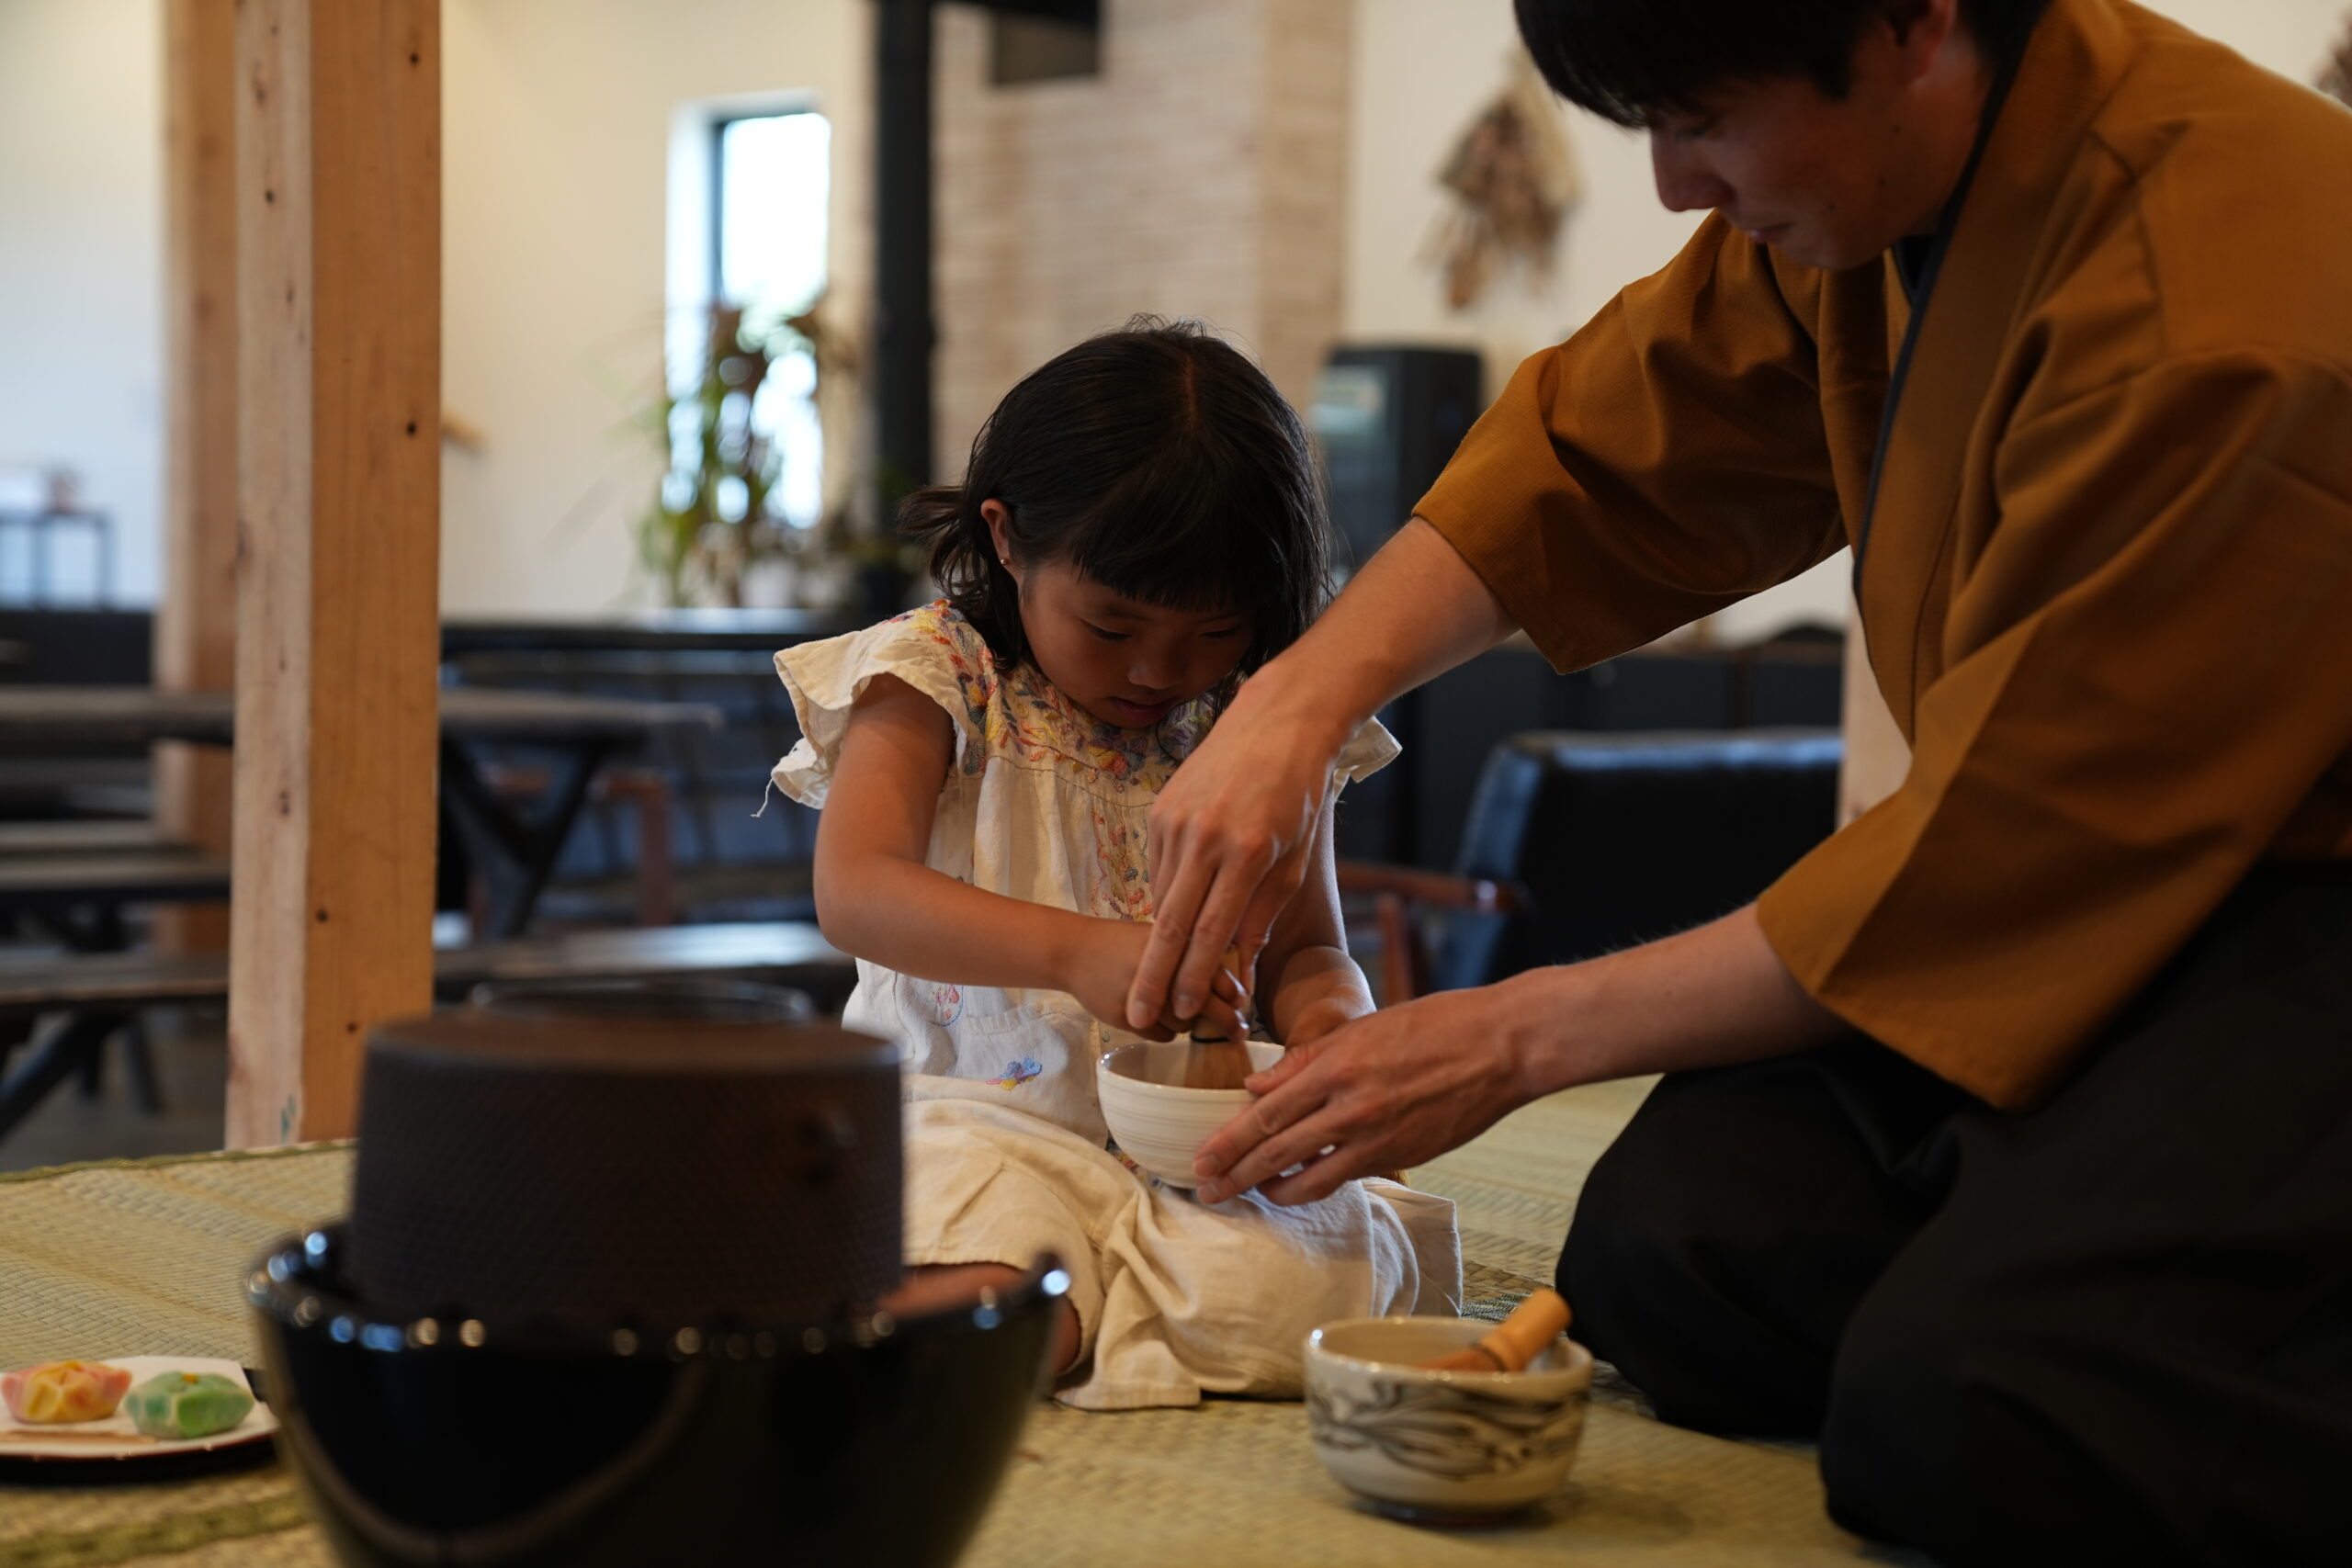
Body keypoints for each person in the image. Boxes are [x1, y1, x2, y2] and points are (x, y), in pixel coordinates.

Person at [1125, 0, 2352, 1559]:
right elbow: (1596, 451)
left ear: (1913, 20)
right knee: (1672, 1256)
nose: (1672, 187)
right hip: (2044, 897)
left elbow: (2007, 859)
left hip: (2285, 920)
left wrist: (1510, 1033)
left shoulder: (2226, 314)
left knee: (1969, 1411)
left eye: (1702, 121)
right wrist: (1294, 699)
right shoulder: (1883, 194)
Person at [772, 320, 1459, 1411]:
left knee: (1299, 1292)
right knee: (994, 1268)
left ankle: (1099, 1309)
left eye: (1211, 633)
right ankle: (1011, 1325)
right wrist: (1074, 952)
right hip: (969, 1117)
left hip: (1195, 1146)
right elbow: (854, 891)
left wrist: (1333, 1025)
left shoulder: (1262, 720)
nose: (1155, 670)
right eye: (1111, 625)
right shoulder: (936, 677)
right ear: (1007, 539)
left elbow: (1308, 950)